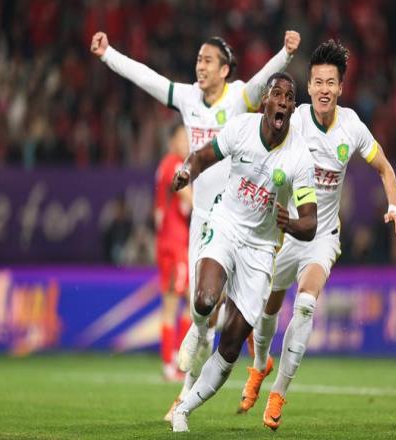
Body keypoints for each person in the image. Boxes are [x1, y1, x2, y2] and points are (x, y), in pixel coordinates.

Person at [90, 29, 300, 418]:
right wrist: (108, 55)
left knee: (218, 313)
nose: (200, 66)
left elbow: (264, 83)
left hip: (241, 216)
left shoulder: (239, 97)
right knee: (201, 305)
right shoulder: (188, 98)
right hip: (204, 217)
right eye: (198, 60)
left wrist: (286, 54)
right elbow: (147, 78)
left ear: (224, 69)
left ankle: (193, 388)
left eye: (207, 61)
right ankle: (195, 369)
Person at [237, 40, 396, 431]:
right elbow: (260, 142)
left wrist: (394, 208)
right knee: (267, 309)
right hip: (285, 232)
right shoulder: (294, 119)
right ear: (310, 87)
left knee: (305, 306)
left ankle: (279, 393)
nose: (324, 89)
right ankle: (260, 364)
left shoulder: (352, 127)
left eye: (331, 82)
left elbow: (384, 168)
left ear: (340, 88)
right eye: (318, 82)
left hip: (322, 236)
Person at [170, 73, 317, 432]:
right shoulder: (241, 128)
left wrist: (289, 223)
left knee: (233, 344)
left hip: (261, 249)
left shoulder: (299, 156)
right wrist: (187, 171)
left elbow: (310, 223)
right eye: (276, 94)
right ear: (265, 101)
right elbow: (203, 156)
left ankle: (183, 409)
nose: (282, 101)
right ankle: (199, 330)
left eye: (289, 97)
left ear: (292, 108)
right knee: (205, 299)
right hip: (226, 224)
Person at [154, 123, 193, 381]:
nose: (186, 143)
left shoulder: (166, 165)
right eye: (182, 138)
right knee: (171, 303)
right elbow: (190, 199)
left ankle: (180, 358)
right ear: (172, 141)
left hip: (175, 241)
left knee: (191, 301)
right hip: (173, 243)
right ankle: (170, 362)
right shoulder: (174, 164)